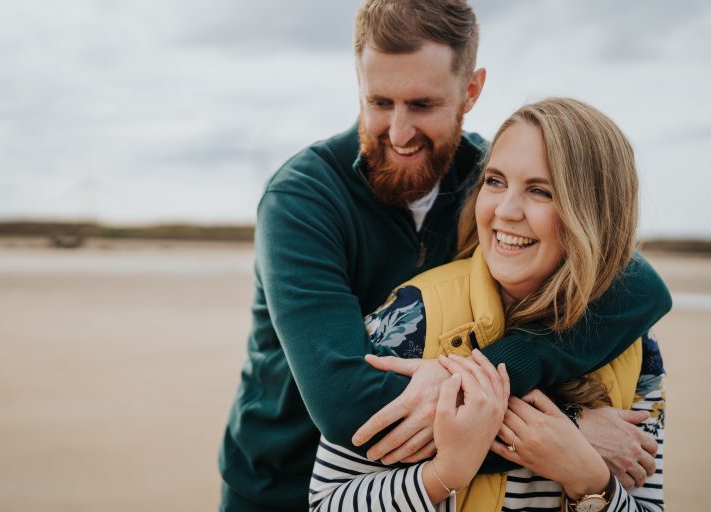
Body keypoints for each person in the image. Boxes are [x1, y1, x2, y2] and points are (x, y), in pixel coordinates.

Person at [218, 1, 671, 510]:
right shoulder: (301, 201)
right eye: (380, 101)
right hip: (279, 482)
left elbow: (640, 288)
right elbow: (347, 403)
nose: (398, 132)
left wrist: (504, 371)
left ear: (471, 91)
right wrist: (565, 433)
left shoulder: (490, 180)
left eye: (423, 104)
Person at [309, 97, 666, 511]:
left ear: (595, 214)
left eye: (540, 191)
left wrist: (588, 480)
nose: (505, 210)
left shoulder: (636, 344)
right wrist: (445, 474)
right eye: (495, 182)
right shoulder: (411, 319)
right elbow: (327, 504)